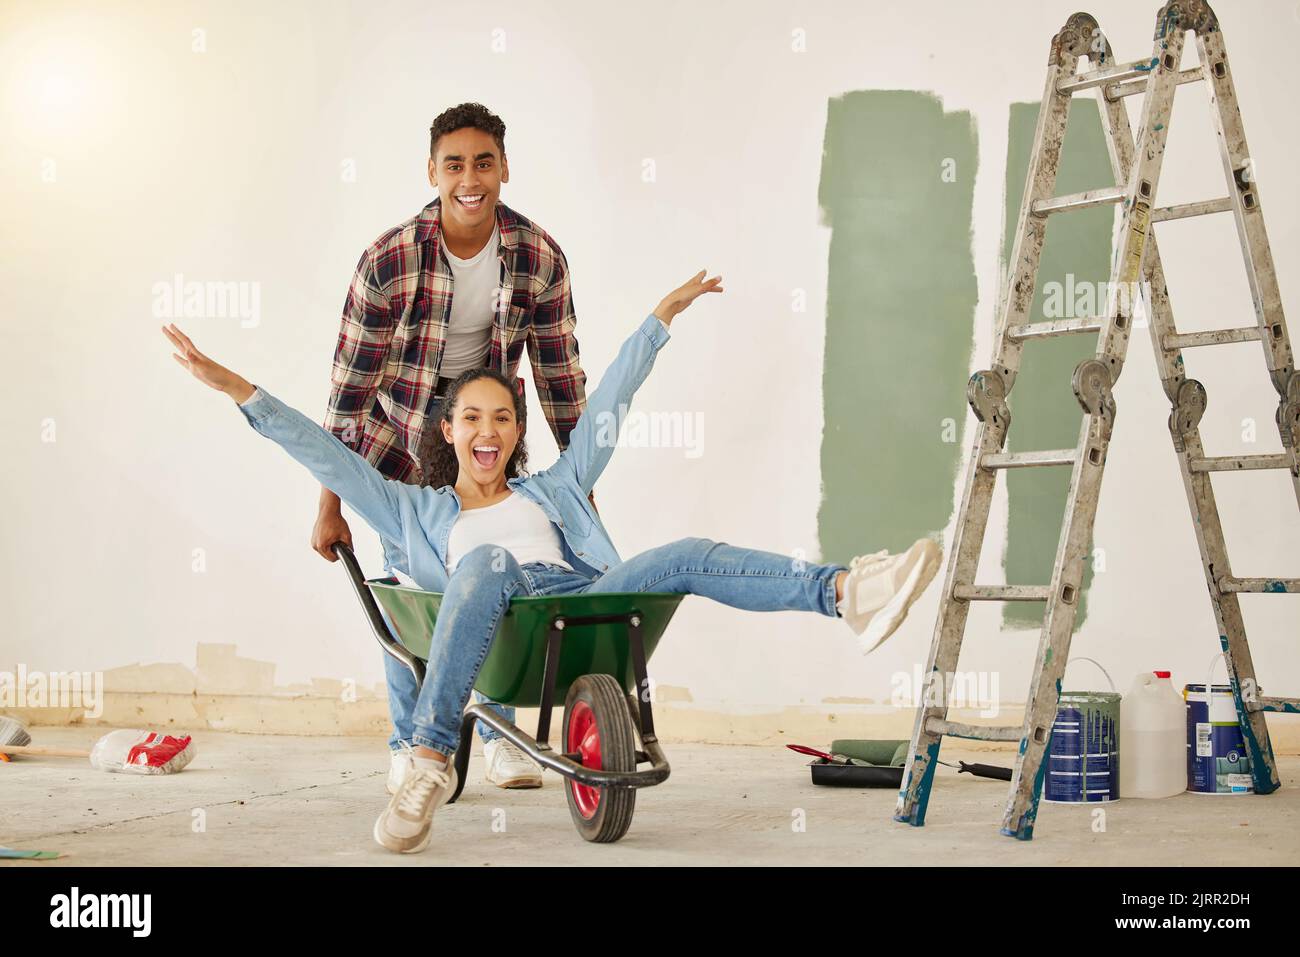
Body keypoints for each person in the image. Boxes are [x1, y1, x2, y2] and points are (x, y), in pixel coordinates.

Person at [161, 271, 943, 855]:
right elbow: (325, 453)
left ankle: (847, 591)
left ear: (515, 432)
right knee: (491, 559)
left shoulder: (554, 488)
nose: (488, 429)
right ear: (450, 430)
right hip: (497, 633)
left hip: (581, 608)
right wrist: (232, 385)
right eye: (472, 416)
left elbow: (605, 412)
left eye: (503, 416)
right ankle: (430, 757)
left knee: (684, 553)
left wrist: (657, 323)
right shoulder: (413, 508)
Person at [316, 103, 593, 791]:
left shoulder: (537, 256)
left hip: (489, 436)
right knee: (412, 594)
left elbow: (561, 380)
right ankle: (410, 744)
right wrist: (330, 504)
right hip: (403, 439)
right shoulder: (390, 259)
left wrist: (583, 485)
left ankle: (497, 734)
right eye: (455, 164)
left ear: (503, 168)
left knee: (496, 575)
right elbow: (349, 393)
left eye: (484, 162)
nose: (470, 179)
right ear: (432, 172)